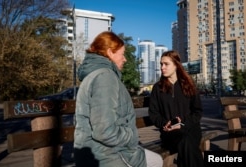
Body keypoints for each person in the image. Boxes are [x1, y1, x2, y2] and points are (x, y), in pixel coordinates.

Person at [73, 31, 163, 167]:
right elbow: (104, 131)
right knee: (157, 161)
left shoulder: (93, 75)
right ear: (110, 52)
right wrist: (131, 135)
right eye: (122, 54)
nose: (125, 59)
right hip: (108, 156)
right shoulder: (105, 77)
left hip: (94, 153)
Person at [148, 50, 204, 167]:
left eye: (166, 64)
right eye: (161, 64)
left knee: (187, 141)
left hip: (190, 129)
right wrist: (165, 123)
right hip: (169, 133)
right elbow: (153, 113)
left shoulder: (189, 85)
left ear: (176, 65)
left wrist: (183, 124)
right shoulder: (158, 88)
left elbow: (197, 111)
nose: (162, 67)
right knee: (187, 144)